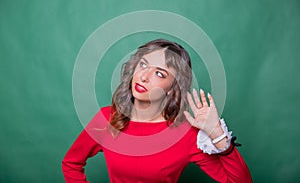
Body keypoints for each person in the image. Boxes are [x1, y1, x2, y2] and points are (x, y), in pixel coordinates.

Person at [62, 39, 252, 183]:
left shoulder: (186, 134)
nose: (144, 76)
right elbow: (71, 164)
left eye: (159, 73)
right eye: (143, 65)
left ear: (172, 88)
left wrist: (217, 134)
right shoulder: (107, 118)